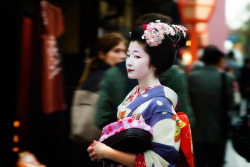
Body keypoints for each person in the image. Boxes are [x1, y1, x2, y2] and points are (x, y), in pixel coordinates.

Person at [88, 20, 193, 166]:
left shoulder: (161, 105)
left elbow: (159, 161)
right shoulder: (135, 93)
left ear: (156, 62)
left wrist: (107, 152)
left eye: (137, 56)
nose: (129, 62)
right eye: (128, 55)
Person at [95, 13, 195, 131]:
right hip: (159, 145)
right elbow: (185, 119)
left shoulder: (114, 73)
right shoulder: (172, 74)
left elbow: (101, 119)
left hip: (118, 144)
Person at [71, 32, 127, 167]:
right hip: (103, 147)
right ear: (102, 54)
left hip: (84, 143)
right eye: (117, 51)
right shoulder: (111, 79)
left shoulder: (89, 76)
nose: (122, 56)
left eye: (125, 51)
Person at [188, 45, 235, 167]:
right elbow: (230, 104)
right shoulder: (227, 78)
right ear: (219, 60)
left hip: (196, 132)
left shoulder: (192, 78)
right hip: (218, 132)